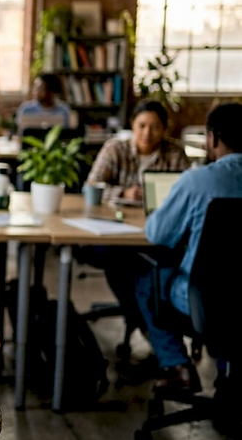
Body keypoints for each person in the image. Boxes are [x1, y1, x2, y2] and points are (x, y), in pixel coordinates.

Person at [135, 102, 242, 393]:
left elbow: (157, 233)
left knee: (147, 281)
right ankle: (230, 380)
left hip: (207, 298)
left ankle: (178, 367)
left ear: (213, 138)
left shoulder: (197, 181)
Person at [80, 98, 191, 354]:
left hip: (154, 232)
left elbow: (184, 195)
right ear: (133, 125)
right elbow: (91, 187)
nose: (147, 133)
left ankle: (146, 323)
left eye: (154, 127)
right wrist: (124, 193)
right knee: (123, 261)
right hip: (113, 230)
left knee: (146, 263)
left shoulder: (174, 153)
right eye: (141, 125)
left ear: (164, 129)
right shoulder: (115, 148)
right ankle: (145, 323)